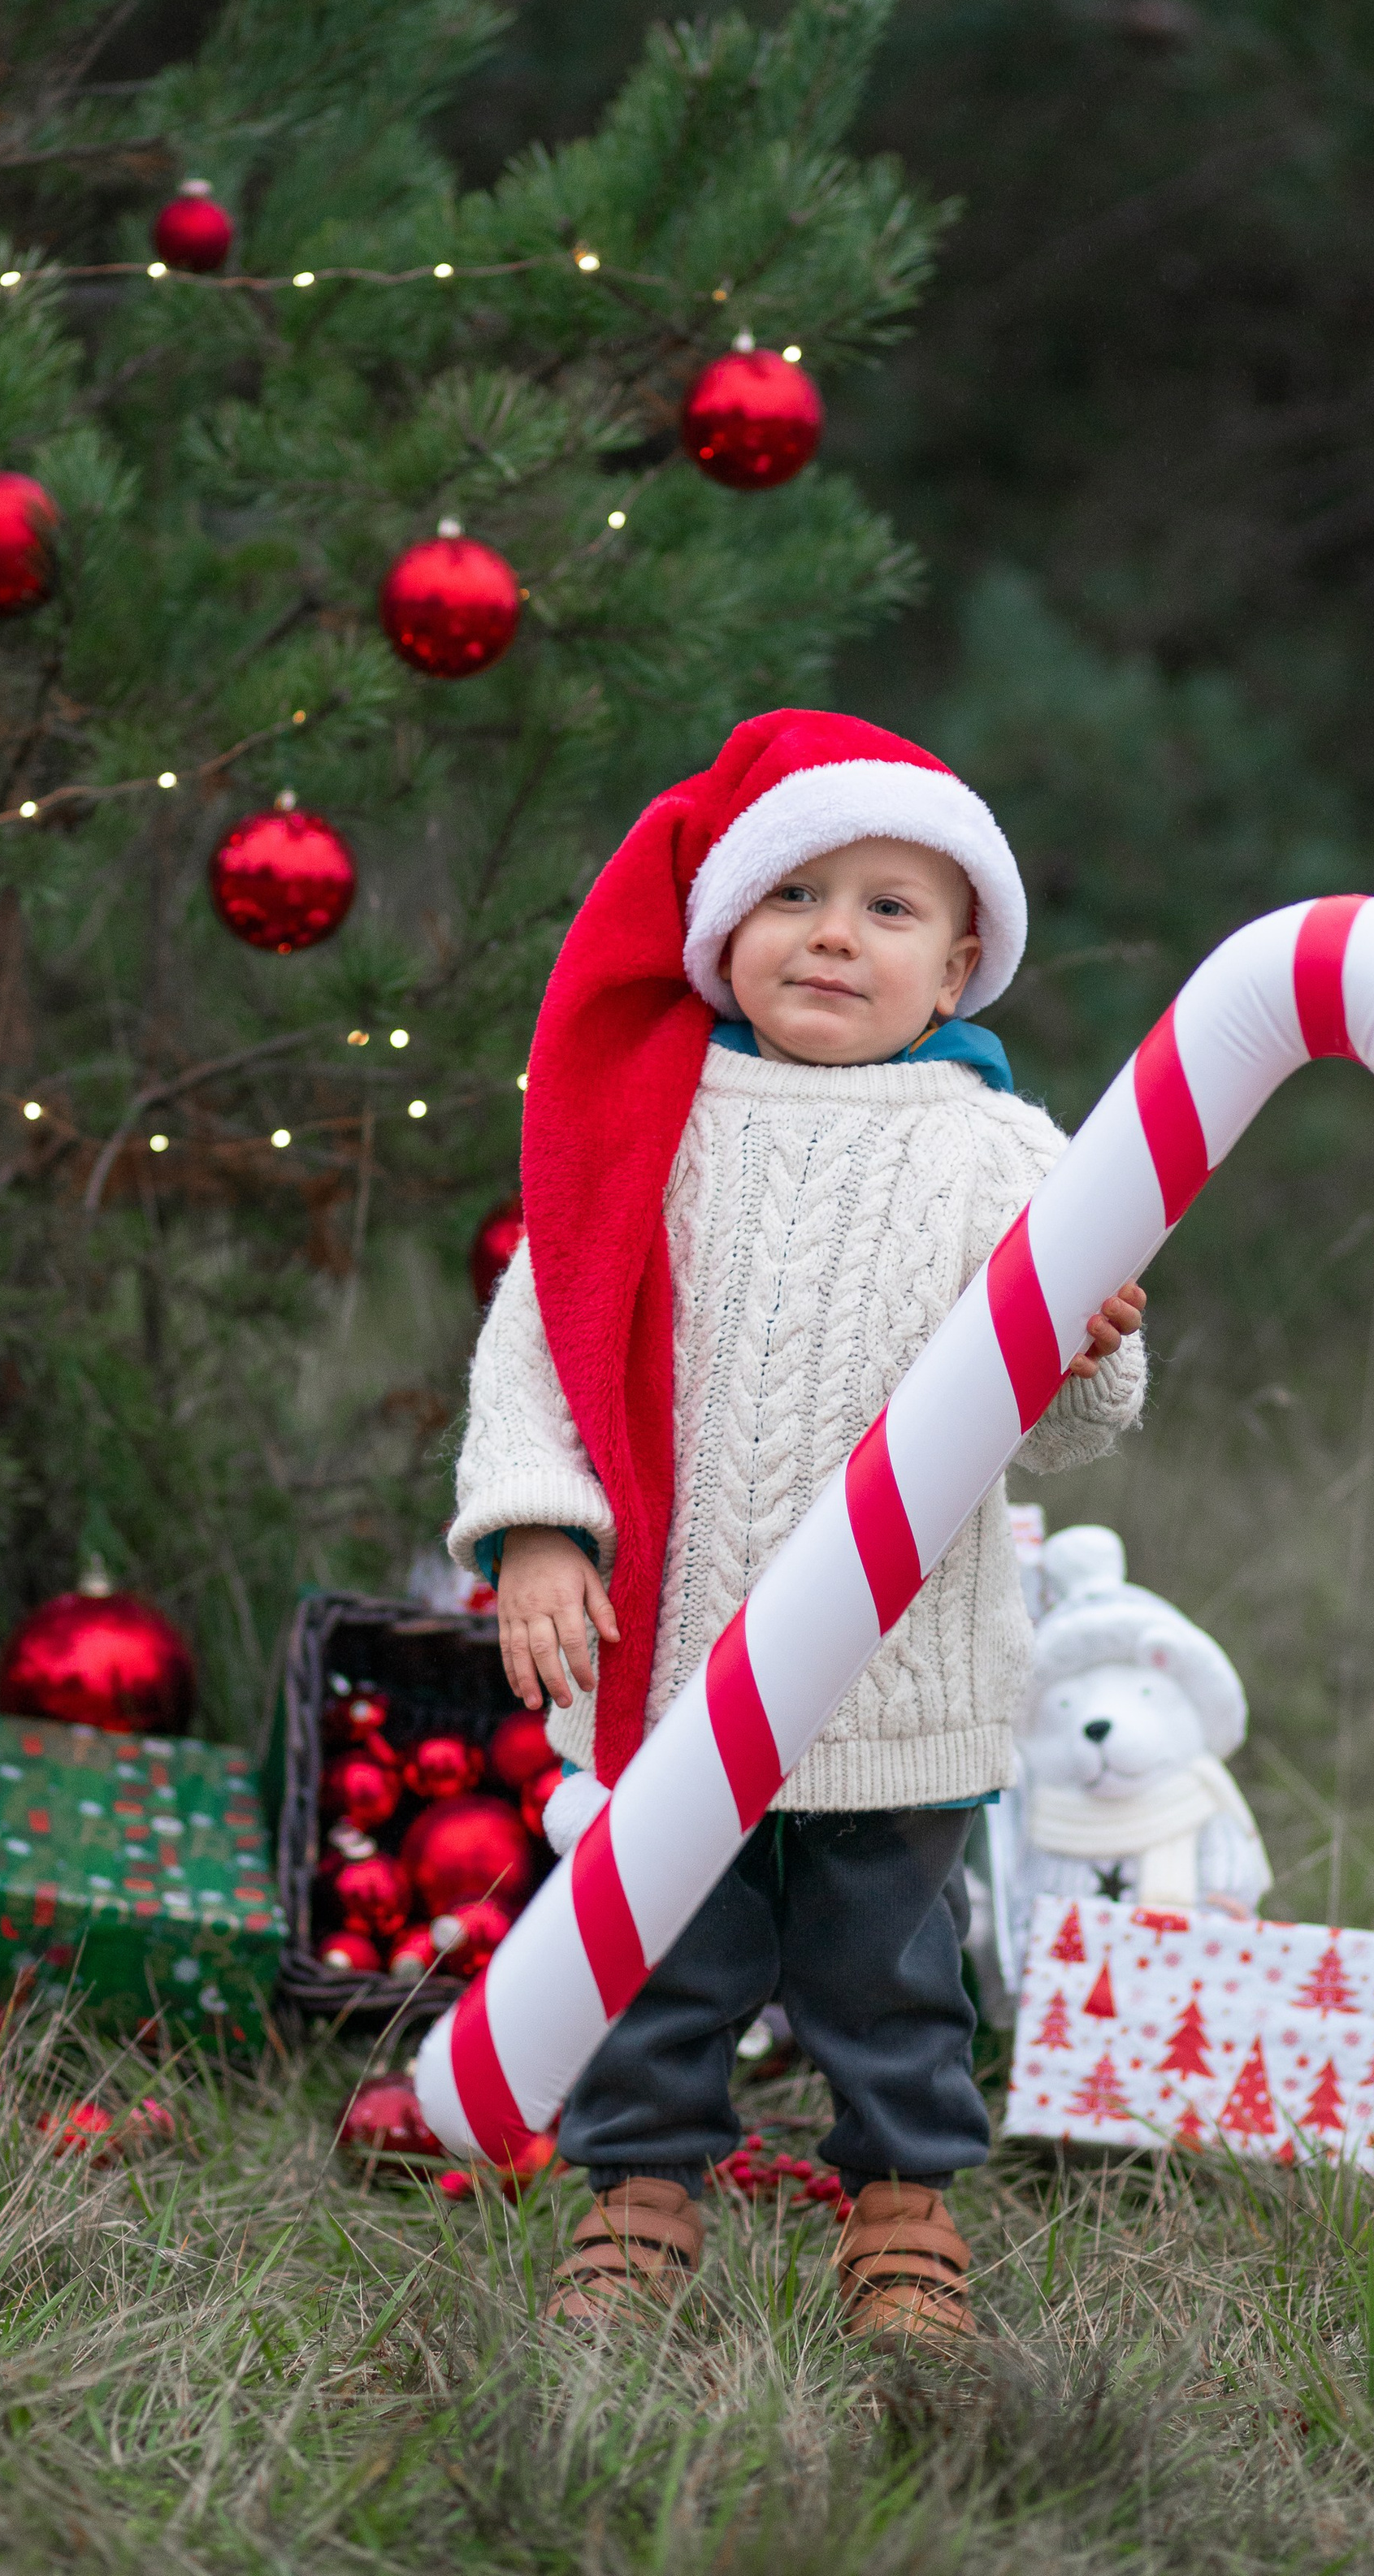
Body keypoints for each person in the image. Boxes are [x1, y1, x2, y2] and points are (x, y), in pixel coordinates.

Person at [448, 708, 1146, 2341]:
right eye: (794, 895)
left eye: (886, 908)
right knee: (658, 1963)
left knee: (887, 1974)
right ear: (721, 930)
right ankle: (638, 2197)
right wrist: (539, 1532)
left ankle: (901, 2208)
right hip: (673, 1662)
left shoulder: (998, 1152)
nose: (834, 934)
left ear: (957, 964)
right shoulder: (648, 1120)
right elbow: (542, 1339)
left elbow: (1064, 1433)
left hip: (896, 1678)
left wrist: (1083, 1347)